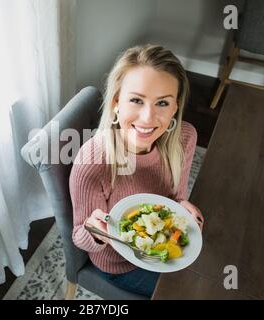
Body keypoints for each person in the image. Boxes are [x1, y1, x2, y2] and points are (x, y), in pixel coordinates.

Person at [69, 44, 204, 298]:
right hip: (120, 264)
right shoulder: (93, 163)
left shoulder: (185, 137)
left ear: (176, 107)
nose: (147, 117)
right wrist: (95, 231)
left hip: (165, 242)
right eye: (136, 100)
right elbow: (79, 236)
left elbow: (177, 196)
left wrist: (184, 206)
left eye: (162, 102)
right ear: (116, 102)